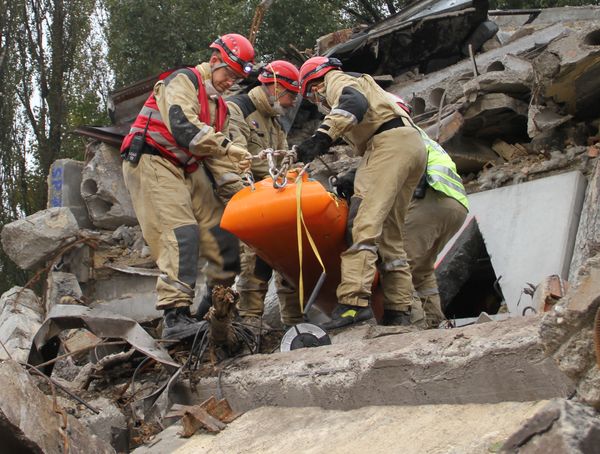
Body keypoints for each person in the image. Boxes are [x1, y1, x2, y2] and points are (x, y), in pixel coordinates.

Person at [120, 33, 255, 339]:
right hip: (153, 157)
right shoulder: (183, 81)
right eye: (228, 74)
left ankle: (211, 310)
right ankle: (175, 316)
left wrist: (248, 197)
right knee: (181, 233)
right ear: (215, 60)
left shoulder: (220, 108)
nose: (229, 82)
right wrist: (226, 146)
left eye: (236, 78)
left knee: (222, 235)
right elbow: (185, 128)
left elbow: (220, 164)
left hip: (186, 166)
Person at [295, 56, 427, 330]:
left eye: (311, 96)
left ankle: (353, 304)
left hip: (387, 144)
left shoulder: (333, 81)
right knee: (390, 233)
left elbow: (352, 103)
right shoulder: (365, 83)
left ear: (313, 85)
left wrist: (320, 138)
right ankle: (398, 309)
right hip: (412, 145)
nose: (316, 102)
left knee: (361, 223)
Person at [338, 94, 470, 328]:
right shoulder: (423, 138)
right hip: (455, 206)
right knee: (423, 271)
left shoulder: (399, 138)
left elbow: (387, 167)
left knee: (398, 262)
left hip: (428, 201)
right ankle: (435, 322)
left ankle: (414, 327)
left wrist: (348, 180)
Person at [226, 60, 304, 329]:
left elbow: (285, 163)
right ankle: (250, 322)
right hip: (250, 195)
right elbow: (234, 157)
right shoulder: (237, 109)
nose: (292, 102)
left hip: (275, 195)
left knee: (289, 257)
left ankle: (295, 323)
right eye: (290, 94)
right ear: (272, 85)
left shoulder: (275, 122)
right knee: (254, 259)